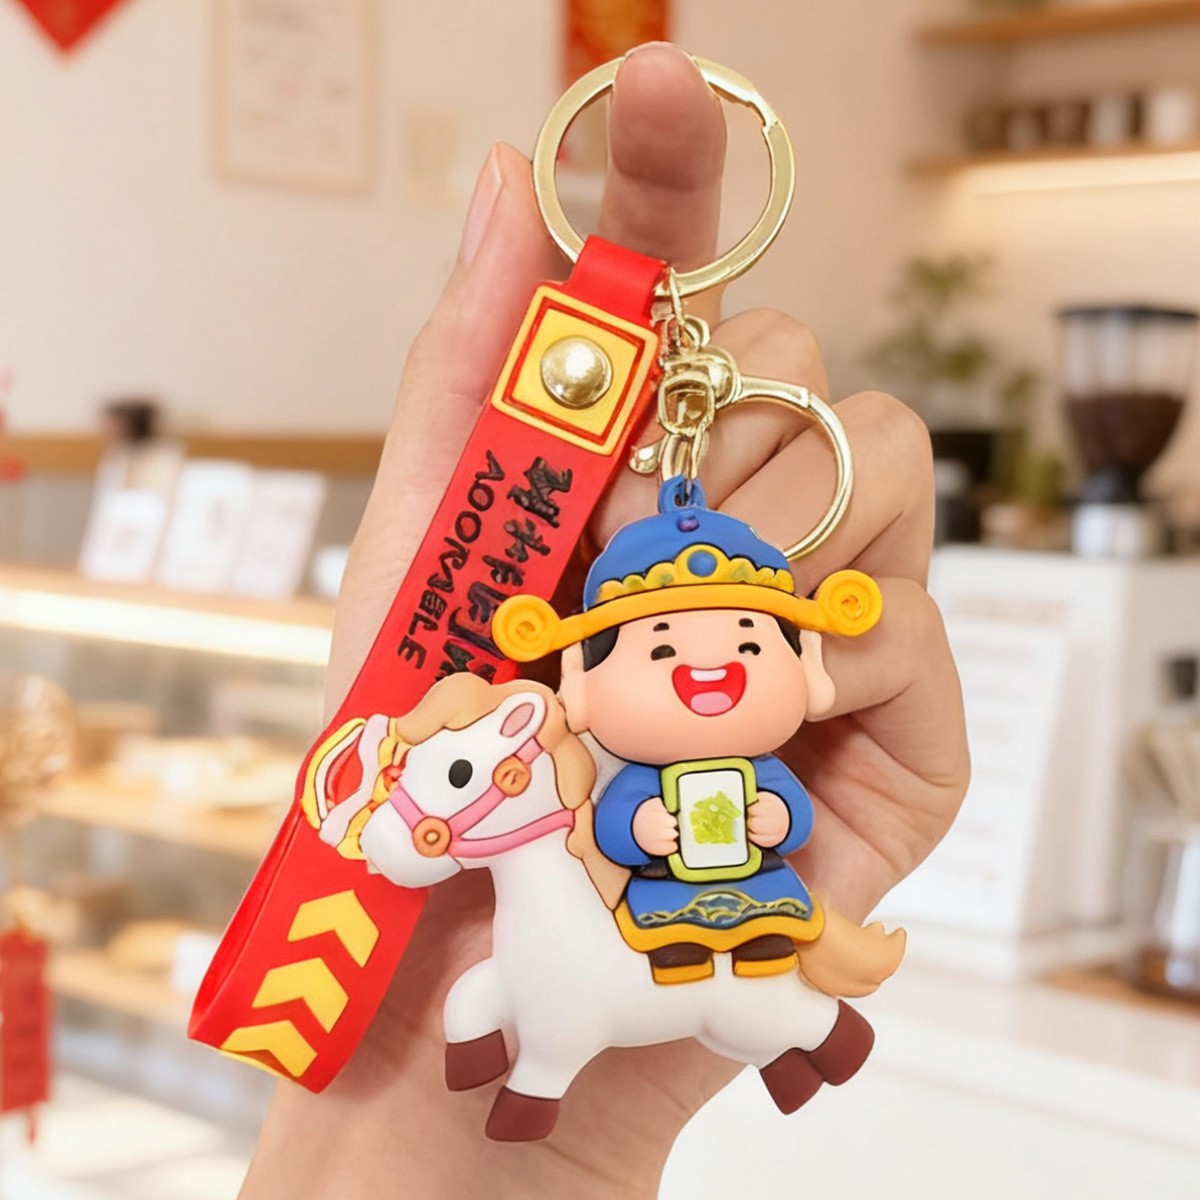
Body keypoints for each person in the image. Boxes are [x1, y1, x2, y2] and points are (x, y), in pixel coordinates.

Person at [239, 42, 969, 1200]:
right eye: (660, 648)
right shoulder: (600, 784)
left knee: (743, 970)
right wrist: (652, 824)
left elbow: (772, 808)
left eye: (751, 643)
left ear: (811, 670)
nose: (707, 671)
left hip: (739, 893)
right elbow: (620, 830)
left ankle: (812, 1035)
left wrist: (760, 813)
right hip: (661, 892)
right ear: (574, 689)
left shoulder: (736, 770)